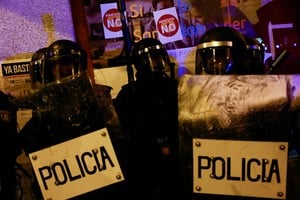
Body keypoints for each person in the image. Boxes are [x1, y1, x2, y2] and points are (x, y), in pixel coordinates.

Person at [18, 39, 127, 199]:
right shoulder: (46, 106)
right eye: (60, 64)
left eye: (69, 63)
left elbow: (115, 134)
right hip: (67, 183)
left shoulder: (95, 99)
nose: (65, 70)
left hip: (102, 179)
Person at [113, 37, 179, 199]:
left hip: (177, 156)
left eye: (159, 57)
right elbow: (125, 133)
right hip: (145, 162)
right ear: (140, 62)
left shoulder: (176, 87)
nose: (158, 62)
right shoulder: (128, 94)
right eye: (153, 58)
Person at [0, 91, 19, 199]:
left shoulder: (3, 98)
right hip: (8, 149)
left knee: (7, 178)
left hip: (6, 149)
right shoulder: (3, 98)